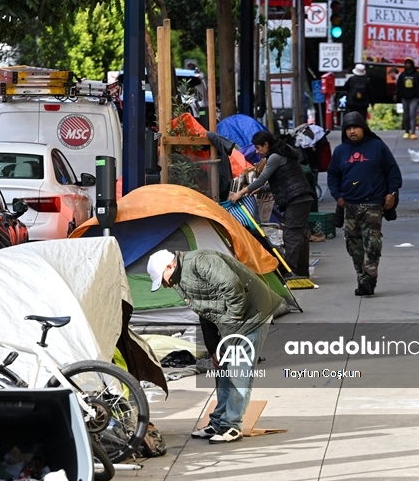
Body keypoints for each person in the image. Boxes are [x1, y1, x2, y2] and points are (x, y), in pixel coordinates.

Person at [147, 248, 283, 443]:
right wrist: (214, 348)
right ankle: (219, 422)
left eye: (163, 279)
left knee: (238, 369)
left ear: (170, 266)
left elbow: (233, 288)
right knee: (223, 368)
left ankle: (232, 425)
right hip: (235, 318)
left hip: (253, 315)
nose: (165, 285)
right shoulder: (180, 279)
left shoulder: (200, 261)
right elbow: (205, 313)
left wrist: (231, 328)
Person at [327, 112, 403, 297]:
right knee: (354, 246)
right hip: (349, 206)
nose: (352, 131)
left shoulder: (377, 147)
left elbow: (393, 173)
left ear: (363, 128)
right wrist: (337, 195)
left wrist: (391, 194)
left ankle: (369, 278)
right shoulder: (340, 151)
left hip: (372, 205)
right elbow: (332, 175)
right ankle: (362, 278)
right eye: (348, 129)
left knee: (372, 244)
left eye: (355, 128)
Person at [229, 130, 314, 279]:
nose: (257, 151)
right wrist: (260, 190)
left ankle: (291, 272)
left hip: (297, 198)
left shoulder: (275, 157)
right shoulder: (282, 154)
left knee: (291, 235)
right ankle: (300, 272)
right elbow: (281, 183)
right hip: (300, 197)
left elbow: (262, 178)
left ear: (266, 144)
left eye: (258, 147)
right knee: (296, 234)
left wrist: (239, 193)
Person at [395, 57, 419, 140]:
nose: (408, 65)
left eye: (409, 63)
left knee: (412, 114)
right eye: (406, 63)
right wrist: (396, 94)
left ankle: (413, 132)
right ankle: (406, 131)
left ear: (412, 64)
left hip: (414, 97)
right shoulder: (402, 75)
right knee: (406, 115)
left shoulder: (417, 74)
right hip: (404, 97)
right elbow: (398, 86)